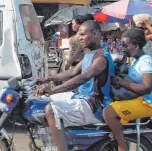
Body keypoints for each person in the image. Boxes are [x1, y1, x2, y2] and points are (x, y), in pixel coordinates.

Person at [37, 21, 114, 151]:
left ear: (95, 34)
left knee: (51, 109)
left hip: (94, 104)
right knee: (40, 102)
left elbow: (82, 78)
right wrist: (48, 78)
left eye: (82, 34)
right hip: (81, 97)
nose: (79, 38)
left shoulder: (101, 58)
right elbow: (72, 72)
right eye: (78, 35)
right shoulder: (90, 54)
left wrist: (53, 90)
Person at [102, 28, 152, 151]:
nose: (123, 48)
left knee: (109, 112)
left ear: (136, 45)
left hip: (149, 102)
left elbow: (146, 88)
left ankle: (122, 146)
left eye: (126, 45)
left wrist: (122, 83)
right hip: (139, 99)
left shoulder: (147, 61)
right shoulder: (137, 61)